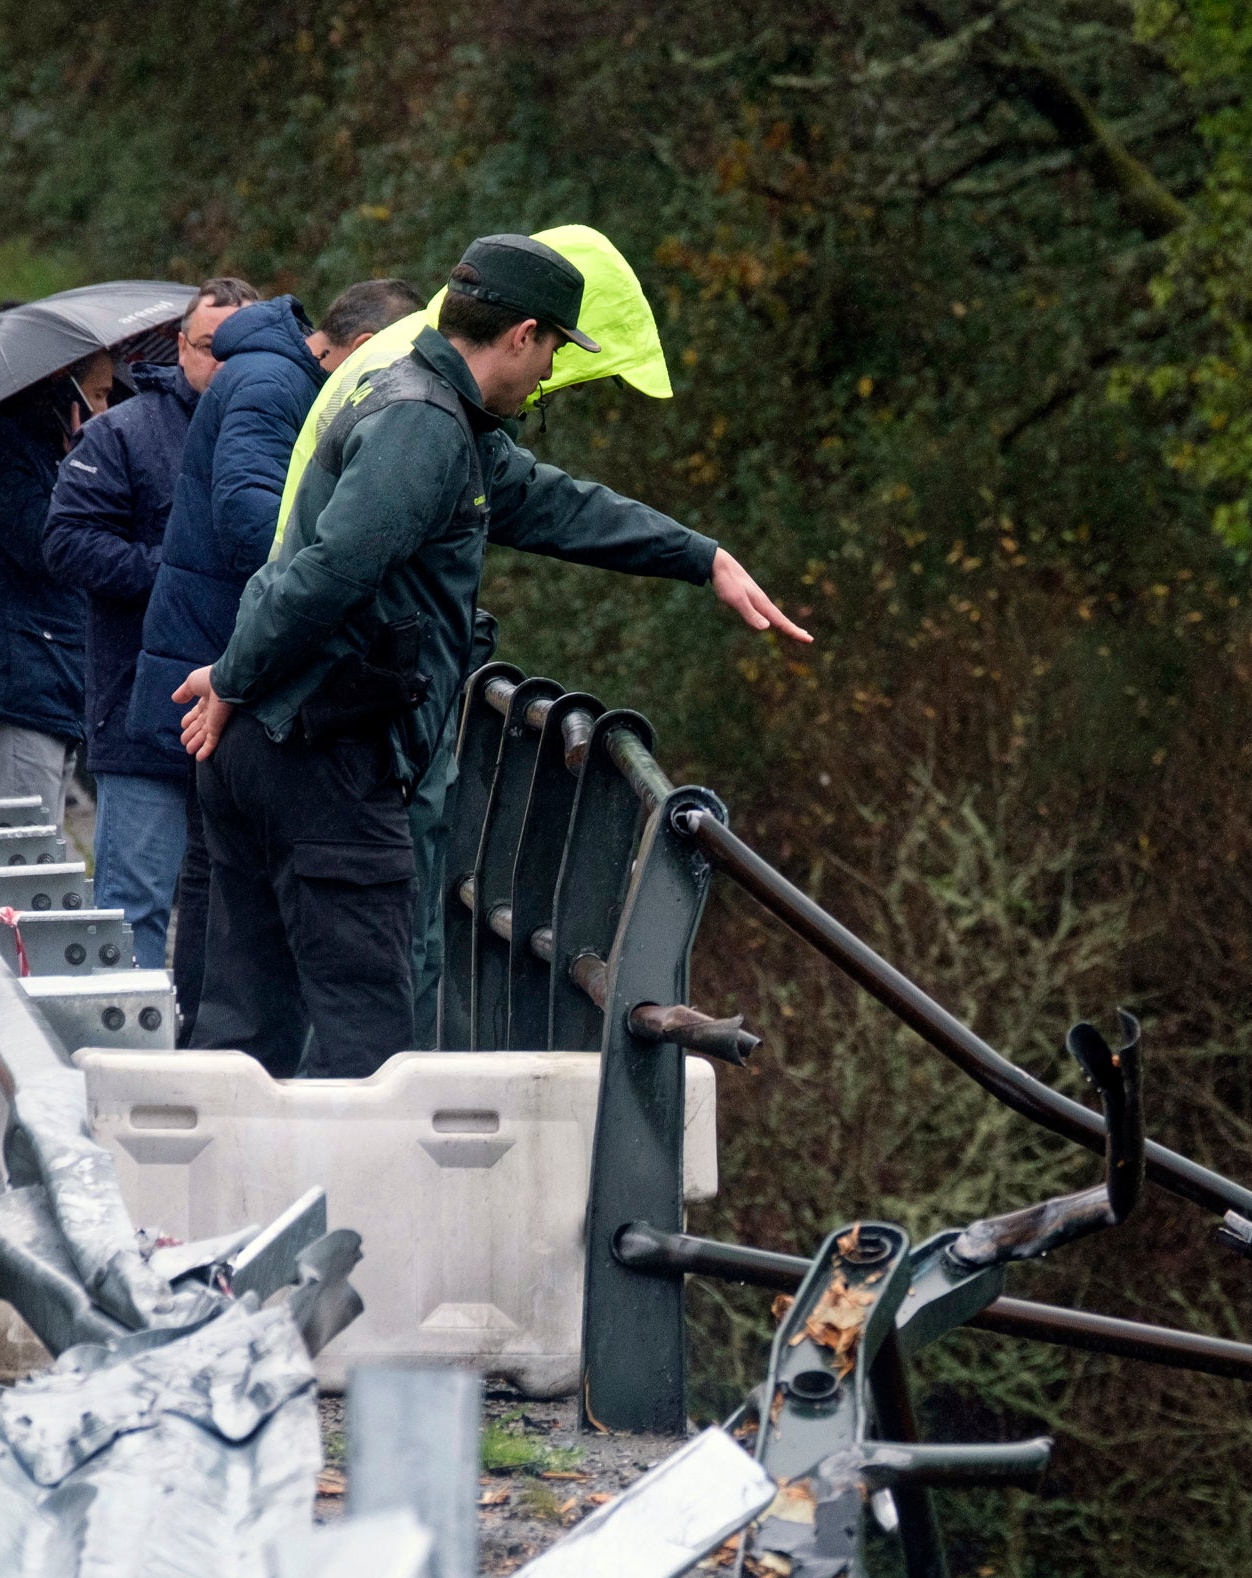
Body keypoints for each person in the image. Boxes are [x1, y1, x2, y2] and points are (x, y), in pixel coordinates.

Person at [171, 234, 809, 1079]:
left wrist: (700, 557)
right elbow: (330, 571)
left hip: (275, 741)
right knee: (368, 1044)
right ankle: (365, 1215)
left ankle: (209, 1207)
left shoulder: (438, 416)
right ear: (522, 335)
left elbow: (557, 507)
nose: (549, 373)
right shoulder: (423, 429)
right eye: (551, 350)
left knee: (247, 1027)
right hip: (324, 759)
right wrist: (233, 676)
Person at [134, 277, 420, 1031]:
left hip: (229, 649)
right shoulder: (270, 382)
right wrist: (332, 574)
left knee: (222, 883)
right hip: (225, 654)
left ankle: (212, 1045)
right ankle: (206, 1040)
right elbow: (246, 509)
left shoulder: (277, 376)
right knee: (216, 885)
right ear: (364, 350)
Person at [42, 279, 253, 967]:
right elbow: (67, 542)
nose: (221, 363)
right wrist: (174, 569)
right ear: (180, 349)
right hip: (141, 712)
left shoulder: (289, 435)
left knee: (234, 914)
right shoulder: (121, 433)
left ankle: (211, 1059)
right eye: (207, 347)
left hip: (248, 717)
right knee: (133, 908)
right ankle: (130, 1066)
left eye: (240, 348)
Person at [0, 350, 112, 833]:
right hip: (16, 684)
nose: (106, 410)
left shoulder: (41, 451)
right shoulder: (2, 451)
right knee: (23, 863)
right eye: (99, 394)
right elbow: (50, 546)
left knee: (40, 853)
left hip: (47, 681)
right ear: (67, 392)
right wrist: (86, 459)